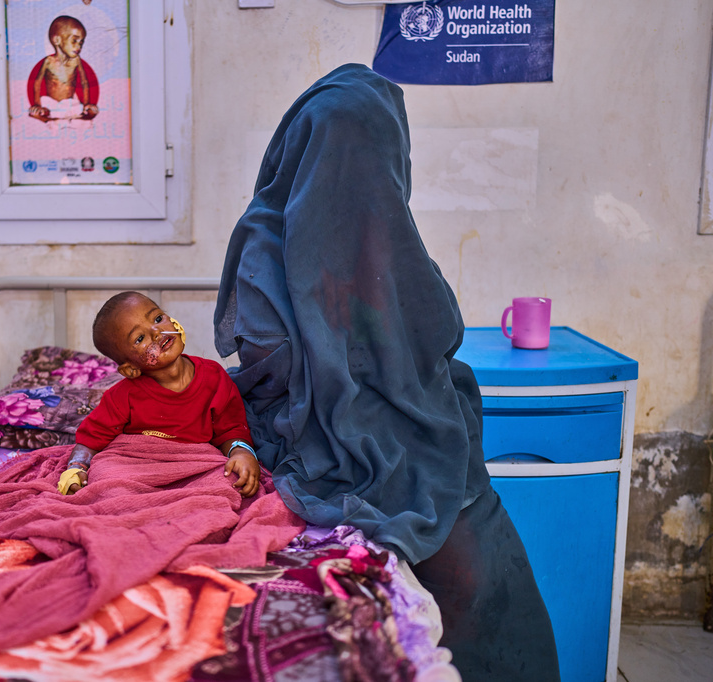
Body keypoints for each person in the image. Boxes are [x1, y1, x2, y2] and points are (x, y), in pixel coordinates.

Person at [214, 63, 561, 681]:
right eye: (344, 154)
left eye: (372, 156)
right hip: (326, 439)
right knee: (465, 568)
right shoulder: (267, 241)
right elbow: (267, 374)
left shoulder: (385, 232)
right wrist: (337, 394)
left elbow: (432, 345)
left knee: (482, 579)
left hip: (422, 435)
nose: (360, 173)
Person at [59, 291, 261, 497]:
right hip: (138, 466)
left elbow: (232, 429)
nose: (157, 332)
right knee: (105, 477)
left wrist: (241, 452)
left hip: (194, 466)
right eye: (140, 338)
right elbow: (91, 439)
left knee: (229, 481)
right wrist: (75, 468)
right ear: (130, 370)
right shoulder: (122, 396)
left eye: (158, 318)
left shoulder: (214, 377)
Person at [27, 15, 100, 122]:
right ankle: (46, 118)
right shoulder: (48, 61)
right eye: (74, 41)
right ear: (57, 40)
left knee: (85, 112)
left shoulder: (76, 61)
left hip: (69, 104)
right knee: (41, 111)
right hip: (50, 103)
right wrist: (37, 104)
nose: (79, 47)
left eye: (81, 42)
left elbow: (84, 82)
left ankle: (69, 118)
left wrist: (86, 104)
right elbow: (37, 83)